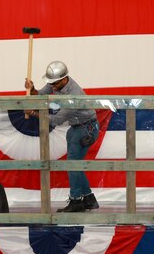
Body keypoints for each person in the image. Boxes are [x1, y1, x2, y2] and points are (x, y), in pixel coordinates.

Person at [24, 61, 100, 212]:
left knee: (72, 165)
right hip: (76, 127)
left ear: (64, 79)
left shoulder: (74, 95)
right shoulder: (55, 83)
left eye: (54, 83)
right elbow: (40, 94)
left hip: (86, 129)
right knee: (75, 164)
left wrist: (33, 113)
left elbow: (57, 120)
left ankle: (76, 200)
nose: (51, 86)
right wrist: (32, 89)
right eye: (50, 82)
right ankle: (89, 198)